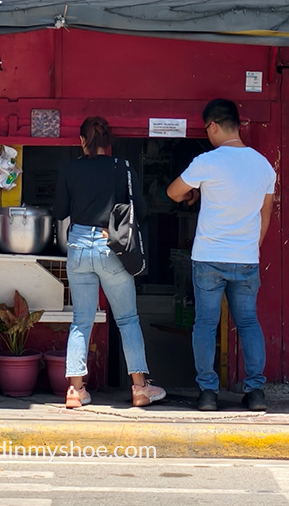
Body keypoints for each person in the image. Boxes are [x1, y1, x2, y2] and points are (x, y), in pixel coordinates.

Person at [166, 98, 276, 412]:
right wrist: (252, 248)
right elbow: (265, 215)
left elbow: (173, 192)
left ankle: (208, 394)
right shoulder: (263, 165)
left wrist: (194, 191)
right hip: (245, 258)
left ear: (213, 126)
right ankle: (255, 393)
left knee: (205, 325)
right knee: (248, 323)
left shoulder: (207, 162)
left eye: (206, 129)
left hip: (209, 257)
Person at [52, 115, 166, 409]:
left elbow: (60, 210)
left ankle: (76, 391)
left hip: (77, 245)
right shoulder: (122, 168)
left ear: (81, 141)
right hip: (110, 245)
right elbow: (139, 210)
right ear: (109, 143)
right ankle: (140, 388)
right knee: (127, 319)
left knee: (81, 320)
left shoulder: (69, 168)